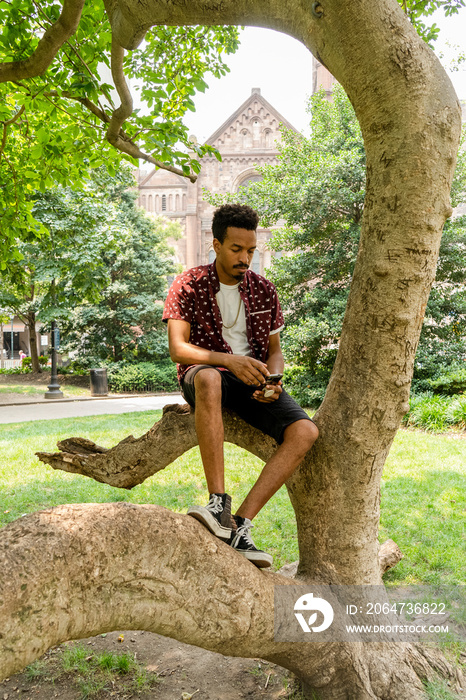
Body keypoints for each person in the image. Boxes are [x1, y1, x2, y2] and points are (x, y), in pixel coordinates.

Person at [163, 203, 319, 567]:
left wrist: (274, 379)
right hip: (204, 374)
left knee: (305, 432)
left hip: (252, 379)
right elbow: (178, 348)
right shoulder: (188, 283)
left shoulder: (265, 289)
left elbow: (276, 352)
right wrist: (227, 359)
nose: (245, 257)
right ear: (215, 244)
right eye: (236, 249)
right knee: (209, 378)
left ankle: (240, 525)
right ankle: (218, 504)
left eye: (250, 250)